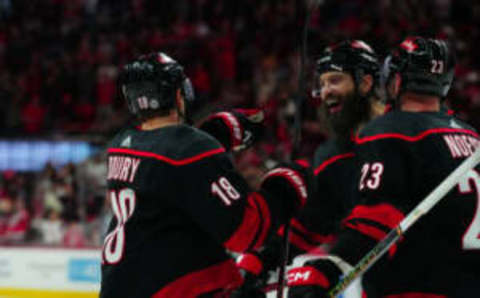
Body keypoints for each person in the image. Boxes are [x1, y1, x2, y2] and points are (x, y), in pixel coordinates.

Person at [99, 52, 312, 298]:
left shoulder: (120, 145)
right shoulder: (189, 148)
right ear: (179, 95)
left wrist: (215, 134)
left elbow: (169, 174)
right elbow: (247, 232)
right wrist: (285, 188)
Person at [287, 37, 480, 297]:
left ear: (397, 81)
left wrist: (328, 268)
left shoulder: (392, 129)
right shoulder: (471, 136)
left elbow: (377, 216)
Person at [234, 40, 384, 296]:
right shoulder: (331, 154)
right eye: (322, 84)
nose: (325, 91)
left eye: (335, 80)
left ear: (366, 83)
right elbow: (313, 223)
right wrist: (263, 258)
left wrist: (332, 266)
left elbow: (386, 215)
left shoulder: (402, 135)